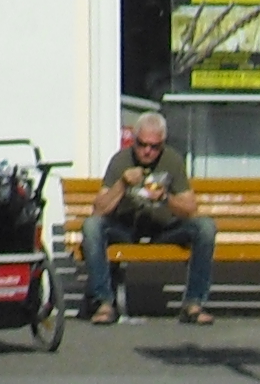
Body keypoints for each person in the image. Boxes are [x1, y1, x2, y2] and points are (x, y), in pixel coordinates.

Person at [84, 112, 218, 326]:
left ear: (162, 144)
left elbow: (190, 208)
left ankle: (193, 303)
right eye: (142, 144)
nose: (147, 151)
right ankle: (104, 303)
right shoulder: (121, 161)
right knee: (92, 227)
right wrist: (122, 184)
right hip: (126, 228)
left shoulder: (172, 160)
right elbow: (99, 210)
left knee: (205, 227)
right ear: (134, 140)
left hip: (163, 228)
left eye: (154, 146)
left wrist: (166, 198)